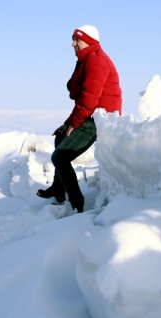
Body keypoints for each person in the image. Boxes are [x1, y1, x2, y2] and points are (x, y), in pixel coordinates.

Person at [37, 24, 122, 213]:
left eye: (77, 39)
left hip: (98, 119)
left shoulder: (97, 61)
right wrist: (68, 123)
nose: (73, 43)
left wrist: (74, 123)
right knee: (60, 137)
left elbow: (89, 100)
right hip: (90, 114)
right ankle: (58, 190)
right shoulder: (86, 59)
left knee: (59, 157)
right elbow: (83, 98)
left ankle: (77, 204)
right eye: (73, 39)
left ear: (89, 41)